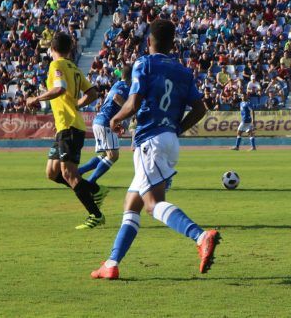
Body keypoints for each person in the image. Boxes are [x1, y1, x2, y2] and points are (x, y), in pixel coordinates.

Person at [91, 19, 220, 280]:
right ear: (173, 44)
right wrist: (174, 129)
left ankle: (200, 235)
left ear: (149, 41)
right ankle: (112, 263)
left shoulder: (144, 63)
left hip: (150, 140)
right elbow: (200, 109)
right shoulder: (184, 72)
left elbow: (134, 101)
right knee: (132, 203)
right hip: (168, 140)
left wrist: (117, 119)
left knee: (153, 205)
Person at [26, 33, 105, 230]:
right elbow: (93, 93)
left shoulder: (56, 66)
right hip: (66, 126)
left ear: (52, 49)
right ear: (70, 49)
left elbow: (60, 88)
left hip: (69, 126)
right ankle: (94, 189)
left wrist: (36, 99)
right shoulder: (75, 68)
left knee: (69, 173)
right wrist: (77, 104)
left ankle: (95, 214)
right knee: (52, 173)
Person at [78, 65, 132, 184]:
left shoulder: (117, 84)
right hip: (104, 122)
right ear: (131, 76)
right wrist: (129, 109)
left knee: (105, 155)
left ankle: (79, 171)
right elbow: (116, 97)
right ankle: (90, 182)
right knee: (113, 155)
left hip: (100, 121)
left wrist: (119, 121)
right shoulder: (123, 86)